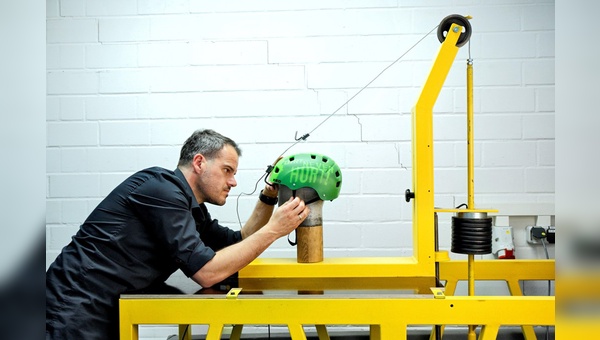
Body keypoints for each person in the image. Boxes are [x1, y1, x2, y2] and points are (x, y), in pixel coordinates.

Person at [46, 129, 310, 339]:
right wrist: (275, 230)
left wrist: (269, 194)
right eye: (227, 170)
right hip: (73, 307)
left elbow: (238, 242)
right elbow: (207, 272)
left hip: (105, 309)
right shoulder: (162, 190)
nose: (233, 182)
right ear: (199, 162)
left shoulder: (190, 207)